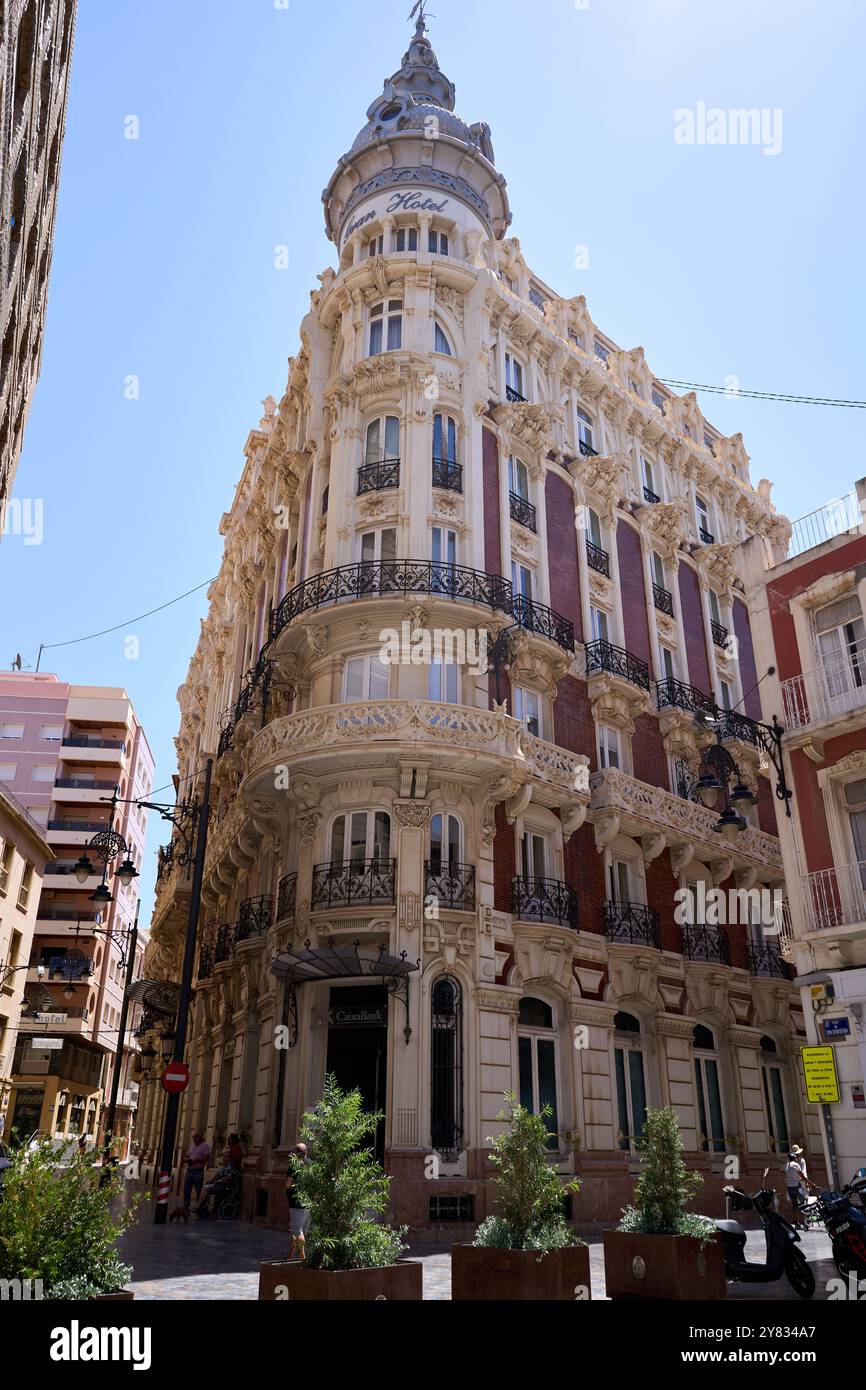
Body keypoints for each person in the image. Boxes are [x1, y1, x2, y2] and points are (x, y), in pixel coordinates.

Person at [285, 1142, 311, 1261]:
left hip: (296, 1204)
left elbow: (287, 1184)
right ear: (306, 1152)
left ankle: (303, 1260)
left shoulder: (294, 1165)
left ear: (296, 1154)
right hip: (308, 1203)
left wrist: (285, 1187)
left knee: (298, 1233)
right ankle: (289, 1258)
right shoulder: (311, 1164)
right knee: (299, 1233)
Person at [183, 1132, 211, 1213]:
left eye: (195, 1137)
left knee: (199, 1189)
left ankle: (199, 1207)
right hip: (189, 1170)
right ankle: (186, 1206)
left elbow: (207, 1157)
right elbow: (186, 1156)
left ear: (200, 1138)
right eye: (193, 1137)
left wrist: (197, 1160)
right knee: (187, 1189)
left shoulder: (205, 1145)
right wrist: (187, 1160)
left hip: (198, 1171)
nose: (194, 1139)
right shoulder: (191, 1145)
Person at [785, 1145, 809, 1228]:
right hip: (798, 1185)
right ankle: (804, 1221)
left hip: (790, 1186)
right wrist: (808, 1183)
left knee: (794, 1204)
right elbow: (803, 1174)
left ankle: (796, 1221)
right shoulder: (799, 1162)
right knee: (803, 1202)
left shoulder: (787, 1164)